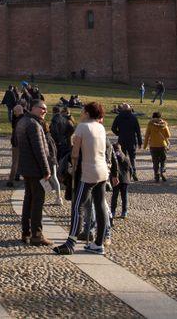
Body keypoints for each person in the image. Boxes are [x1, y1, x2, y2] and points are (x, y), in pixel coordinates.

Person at [54, 101, 111, 255]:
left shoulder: (82, 127)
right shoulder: (100, 127)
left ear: (87, 112)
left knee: (77, 205)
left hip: (88, 172)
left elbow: (75, 153)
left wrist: (72, 167)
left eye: (83, 111)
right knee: (99, 205)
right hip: (102, 171)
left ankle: (70, 242)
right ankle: (99, 242)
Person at [16, 100, 53, 246]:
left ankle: (26, 232)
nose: (44, 111)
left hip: (27, 168)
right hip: (36, 170)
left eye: (46, 109)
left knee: (28, 201)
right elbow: (40, 151)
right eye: (42, 108)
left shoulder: (23, 121)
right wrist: (46, 170)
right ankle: (37, 235)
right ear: (33, 108)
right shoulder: (33, 124)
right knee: (37, 203)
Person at [110, 103, 142, 181]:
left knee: (122, 157)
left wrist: (119, 133)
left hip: (122, 140)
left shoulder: (118, 117)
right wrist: (140, 142)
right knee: (132, 157)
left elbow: (113, 128)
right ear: (129, 109)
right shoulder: (133, 118)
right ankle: (134, 172)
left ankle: (124, 174)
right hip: (132, 140)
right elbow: (138, 131)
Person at [144, 111, 171, 182]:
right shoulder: (164, 124)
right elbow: (168, 135)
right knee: (163, 160)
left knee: (155, 161)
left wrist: (145, 145)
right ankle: (162, 171)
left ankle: (156, 174)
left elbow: (147, 136)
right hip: (162, 145)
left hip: (153, 145)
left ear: (153, 117)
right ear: (160, 117)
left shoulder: (150, 124)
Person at [110, 142, 133, 219]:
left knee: (115, 196)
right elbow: (131, 169)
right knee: (124, 196)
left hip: (116, 179)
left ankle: (112, 211)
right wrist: (130, 177)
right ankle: (124, 212)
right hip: (125, 180)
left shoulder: (113, 158)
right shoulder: (126, 158)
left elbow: (110, 169)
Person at [6, 104, 25, 187]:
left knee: (15, 162)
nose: (13, 113)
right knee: (20, 161)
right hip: (20, 143)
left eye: (14, 112)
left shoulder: (18, 120)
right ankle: (17, 176)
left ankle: (11, 180)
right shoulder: (23, 119)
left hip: (17, 144)